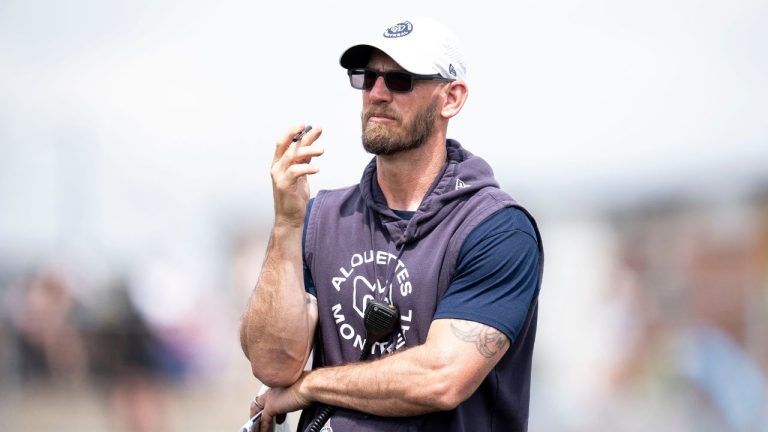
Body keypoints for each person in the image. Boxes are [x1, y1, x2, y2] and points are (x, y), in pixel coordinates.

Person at [240, 17, 544, 432]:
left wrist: (310, 387)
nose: (378, 94)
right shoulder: (320, 220)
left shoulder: (496, 229)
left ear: (451, 98)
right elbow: (273, 365)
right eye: (366, 78)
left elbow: (441, 378)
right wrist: (287, 225)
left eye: (400, 80)